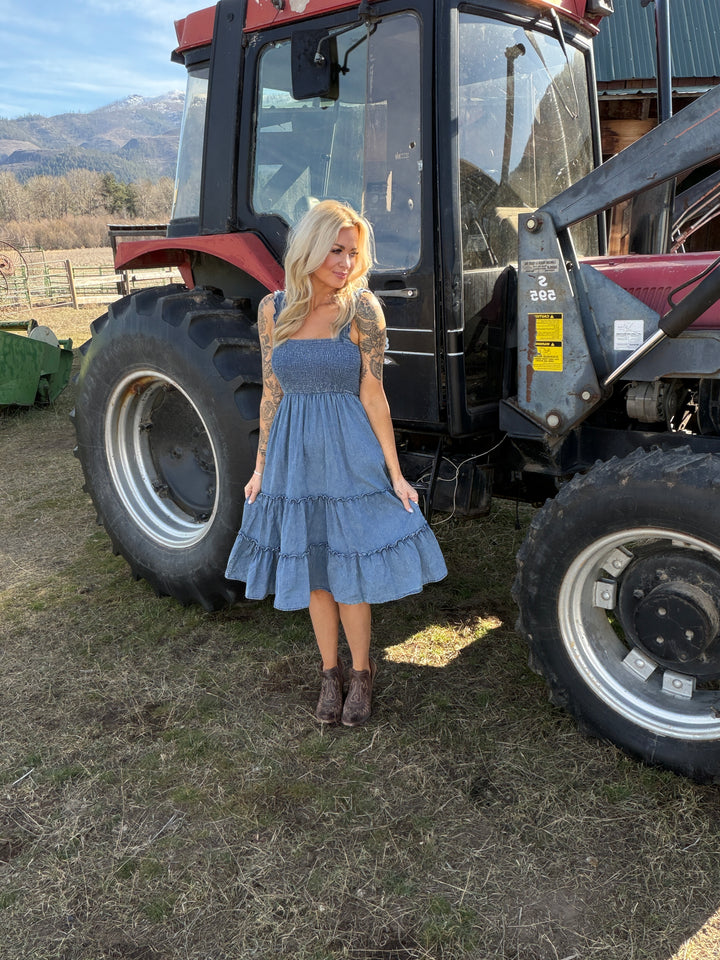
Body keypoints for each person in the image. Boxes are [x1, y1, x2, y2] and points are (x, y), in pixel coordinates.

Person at [225, 200, 447, 726]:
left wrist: (395, 475)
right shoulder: (272, 309)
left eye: (353, 252)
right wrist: (261, 467)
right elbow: (271, 393)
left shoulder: (362, 310)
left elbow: (374, 394)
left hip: (349, 452)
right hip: (292, 455)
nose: (346, 262)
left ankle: (363, 673)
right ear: (309, 248)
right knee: (315, 571)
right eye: (336, 249)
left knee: (349, 568)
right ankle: (330, 673)